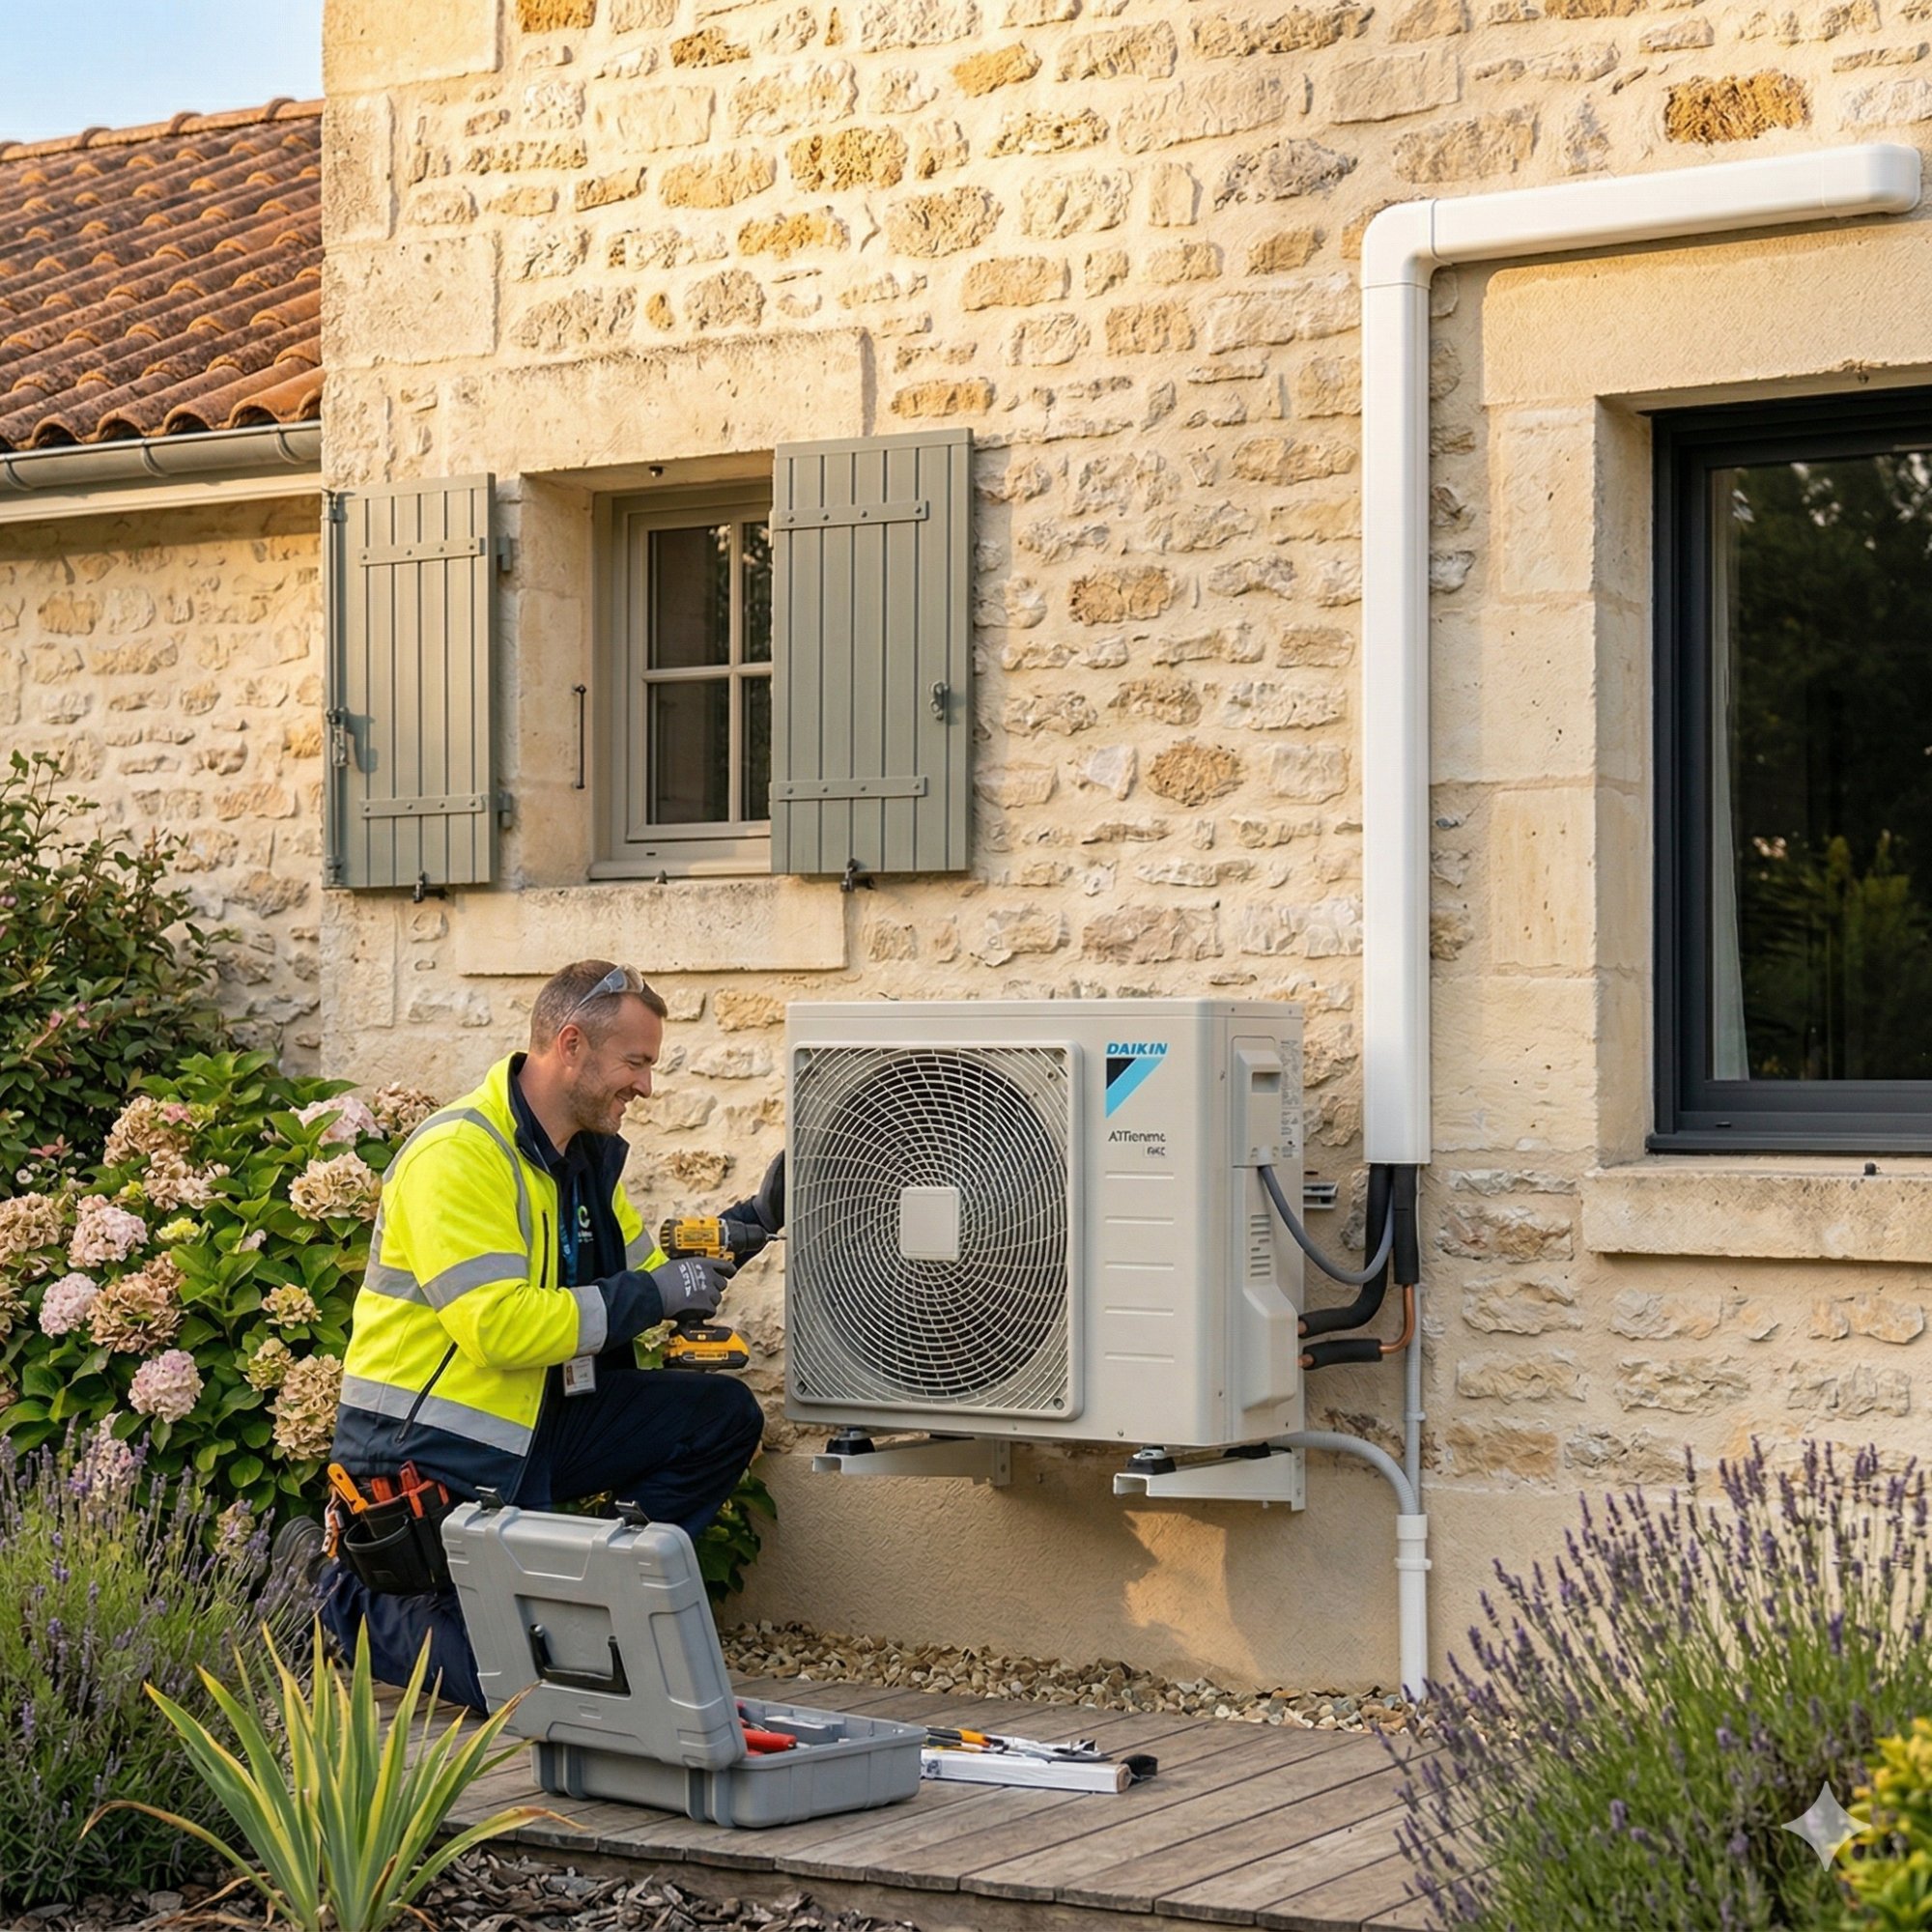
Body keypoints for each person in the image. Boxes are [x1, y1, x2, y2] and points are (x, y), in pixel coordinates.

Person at [317, 958, 780, 1709]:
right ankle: (349, 1600)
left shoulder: (581, 1165)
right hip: (430, 1456)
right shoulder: (458, 1155)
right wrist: (652, 1292)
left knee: (719, 1419)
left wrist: (744, 1228)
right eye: (636, 1062)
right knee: (534, 1688)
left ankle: (606, 1607)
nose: (646, 1086)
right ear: (571, 1044)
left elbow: (648, 1279)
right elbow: (497, 1327)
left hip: (532, 1430)